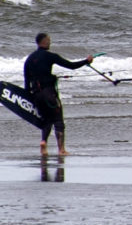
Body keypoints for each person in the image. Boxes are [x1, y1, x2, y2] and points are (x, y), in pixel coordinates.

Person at [23, 32, 92, 162]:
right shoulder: (50, 56)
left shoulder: (29, 59)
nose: (50, 42)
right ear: (44, 42)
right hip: (49, 94)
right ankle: (61, 149)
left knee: (46, 120)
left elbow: (26, 80)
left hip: (36, 94)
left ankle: (43, 142)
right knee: (58, 120)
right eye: (49, 40)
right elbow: (71, 66)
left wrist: (29, 97)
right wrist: (86, 61)